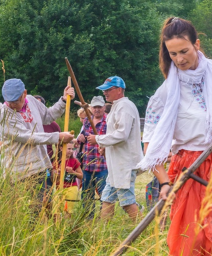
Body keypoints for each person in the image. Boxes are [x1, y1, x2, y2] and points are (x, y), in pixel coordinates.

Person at [138, 17, 212, 256]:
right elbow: (149, 145)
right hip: (190, 169)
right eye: (172, 54)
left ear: (197, 44)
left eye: (184, 51)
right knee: (191, 240)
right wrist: (164, 181)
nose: (179, 59)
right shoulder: (164, 95)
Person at [0, 78, 75, 210]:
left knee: (42, 208)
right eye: (9, 102)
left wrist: (63, 101)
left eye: (16, 101)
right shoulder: (4, 114)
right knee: (23, 211)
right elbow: (28, 137)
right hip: (19, 171)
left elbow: (48, 116)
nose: (12, 105)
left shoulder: (32, 101)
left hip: (40, 166)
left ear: (24, 94)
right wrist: (58, 137)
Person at [85, 76, 144, 220]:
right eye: (104, 90)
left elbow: (122, 134)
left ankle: (144, 230)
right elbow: (116, 134)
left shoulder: (125, 106)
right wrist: (106, 146)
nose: (105, 93)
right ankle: (104, 234)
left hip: (125, 163)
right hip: (116, 164)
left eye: (108, 89)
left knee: (127, 201)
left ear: (119, 90)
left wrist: (98, 139)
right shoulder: (117, 106)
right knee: (107, 198)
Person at [76, 96, 108, 219]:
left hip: (102, 164)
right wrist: (80, 138)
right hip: (87, 163)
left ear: (104, 107)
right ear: (91, 108)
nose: (97, 109)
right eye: (95, 107)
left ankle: (103, 219)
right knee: (86, 194)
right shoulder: (87, 121)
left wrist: (99, 141)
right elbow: (82, 136)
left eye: (99, 107)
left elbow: (112, 139)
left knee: (104, 194)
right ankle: (88, 219)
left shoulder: (108, 121)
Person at [53, 143, 83, 215]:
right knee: (56, 209)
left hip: (72, 187)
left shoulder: (74, 161)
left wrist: (72, 172)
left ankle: (67, 224)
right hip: (59, 187)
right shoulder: (56, 161)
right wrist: (57, 172)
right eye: (69, 149)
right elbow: (53, 177)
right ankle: (57, 225)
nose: (71, 151)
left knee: (70, 210)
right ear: (61, 148)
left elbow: (81, 176)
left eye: (72, 149)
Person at [34, 95, 62, 160]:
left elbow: (59, 144)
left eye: (39, 105)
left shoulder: (53, 125)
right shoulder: (27, 123)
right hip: (31, 161)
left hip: (48, 160)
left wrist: (57, 161)